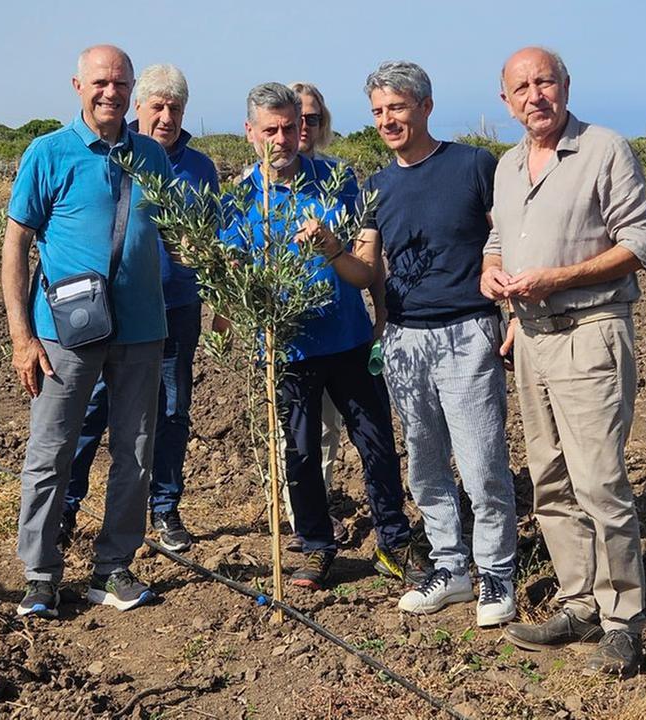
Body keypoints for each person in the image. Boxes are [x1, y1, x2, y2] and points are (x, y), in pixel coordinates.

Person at [483, 47, 646, 677]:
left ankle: (622, 623)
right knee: (551, 480)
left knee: (599, 483)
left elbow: (642, 243)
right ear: (506, 101)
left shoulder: (604, 149)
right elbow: (499, 240)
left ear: (565, 86)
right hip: (530, 338)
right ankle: (580, 602)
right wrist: (491, 274)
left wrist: (559, 278)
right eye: (522, 87)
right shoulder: (508, 166)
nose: (535, 95)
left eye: (545, 82)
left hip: (589, 331)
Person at [224, 82, 428, 591]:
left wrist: (373, 298)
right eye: (269, 130)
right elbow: (229, 279)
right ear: (250, 132)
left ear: (303, 127)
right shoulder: (239, 201)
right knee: (300, 453)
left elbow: (365, 264)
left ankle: (393, 540)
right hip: (287, 348)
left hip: (347, 339)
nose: (281, 139)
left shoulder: (337, 182)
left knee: (377, 444)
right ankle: (316, 546)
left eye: (290, 127)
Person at [3, 44, 173, 618]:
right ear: (78, 86)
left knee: (136, 451)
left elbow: (176, 234)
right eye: (100, 82)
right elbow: (15, 246)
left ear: (132, 90)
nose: (111, 93)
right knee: (51, 451)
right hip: (64, 332)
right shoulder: (48, 153)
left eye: (121, 83)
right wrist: (22, 337)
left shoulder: (152, 156)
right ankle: (40, 574)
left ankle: (113, 567)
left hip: (142, 329)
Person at [357, 61, 517, 627]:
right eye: (378, 111)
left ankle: (496, 572)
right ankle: (450, 566)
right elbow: (370, 266)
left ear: (425, 106)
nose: (386, 120)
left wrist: (513, 311)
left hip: (467, 331)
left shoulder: (473, 164)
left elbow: (507, 233)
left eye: (397, 108)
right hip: (405, 339)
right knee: (425, 465)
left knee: (481, 463)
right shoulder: (376, 187)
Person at [60, 63, 220, 554]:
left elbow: (211, 239)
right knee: (92, 408)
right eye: (158, 106)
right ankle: (66, 507)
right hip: (112, 310)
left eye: (176, 108)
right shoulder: (117, 153)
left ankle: (165, 508)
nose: (167, 117)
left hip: (176, 309)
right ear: (139, 106)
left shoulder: (201, 169)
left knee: (171, 411)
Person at [279, 82, 361, 553]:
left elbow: (362, 246)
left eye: (311, 119)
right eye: (296, 120)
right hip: (289, 332)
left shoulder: (338, 178)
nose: (303, 128)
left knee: (328, 428)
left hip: (338, 326)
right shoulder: (258, 186)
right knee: (293, 432)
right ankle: (301, 520)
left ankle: (315, 510)